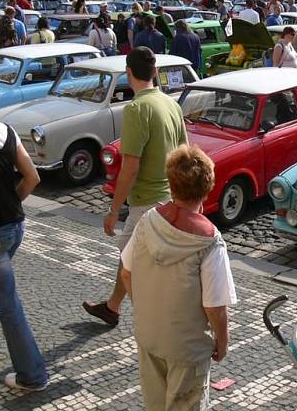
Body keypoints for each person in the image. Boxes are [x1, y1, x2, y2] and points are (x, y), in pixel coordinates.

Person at [121, 145, 236, 410]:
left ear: (171, 184)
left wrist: (146, 309)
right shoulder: (209, 242)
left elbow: (127, 273)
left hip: (149, 335)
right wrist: (222, 341)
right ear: (207, 189)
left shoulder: (147, 221)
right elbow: (214, 306)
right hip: (187, 347)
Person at [83, 47, 187, 326]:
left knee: (135, 265)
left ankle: (155, 325)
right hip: (166, 198)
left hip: (146, 203)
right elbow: (184, 154)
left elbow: (130, 165)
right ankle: (113, 307)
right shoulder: (172, 105)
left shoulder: (137, 108)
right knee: (134, 260)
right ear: (155, 72)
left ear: (128, 73)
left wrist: (114, 209)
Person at [0, 73, 48, 391]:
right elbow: (32, 178)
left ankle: (33, 375)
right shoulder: (6, 129)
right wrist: (9, 206)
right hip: (16, 226)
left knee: (7, 305)